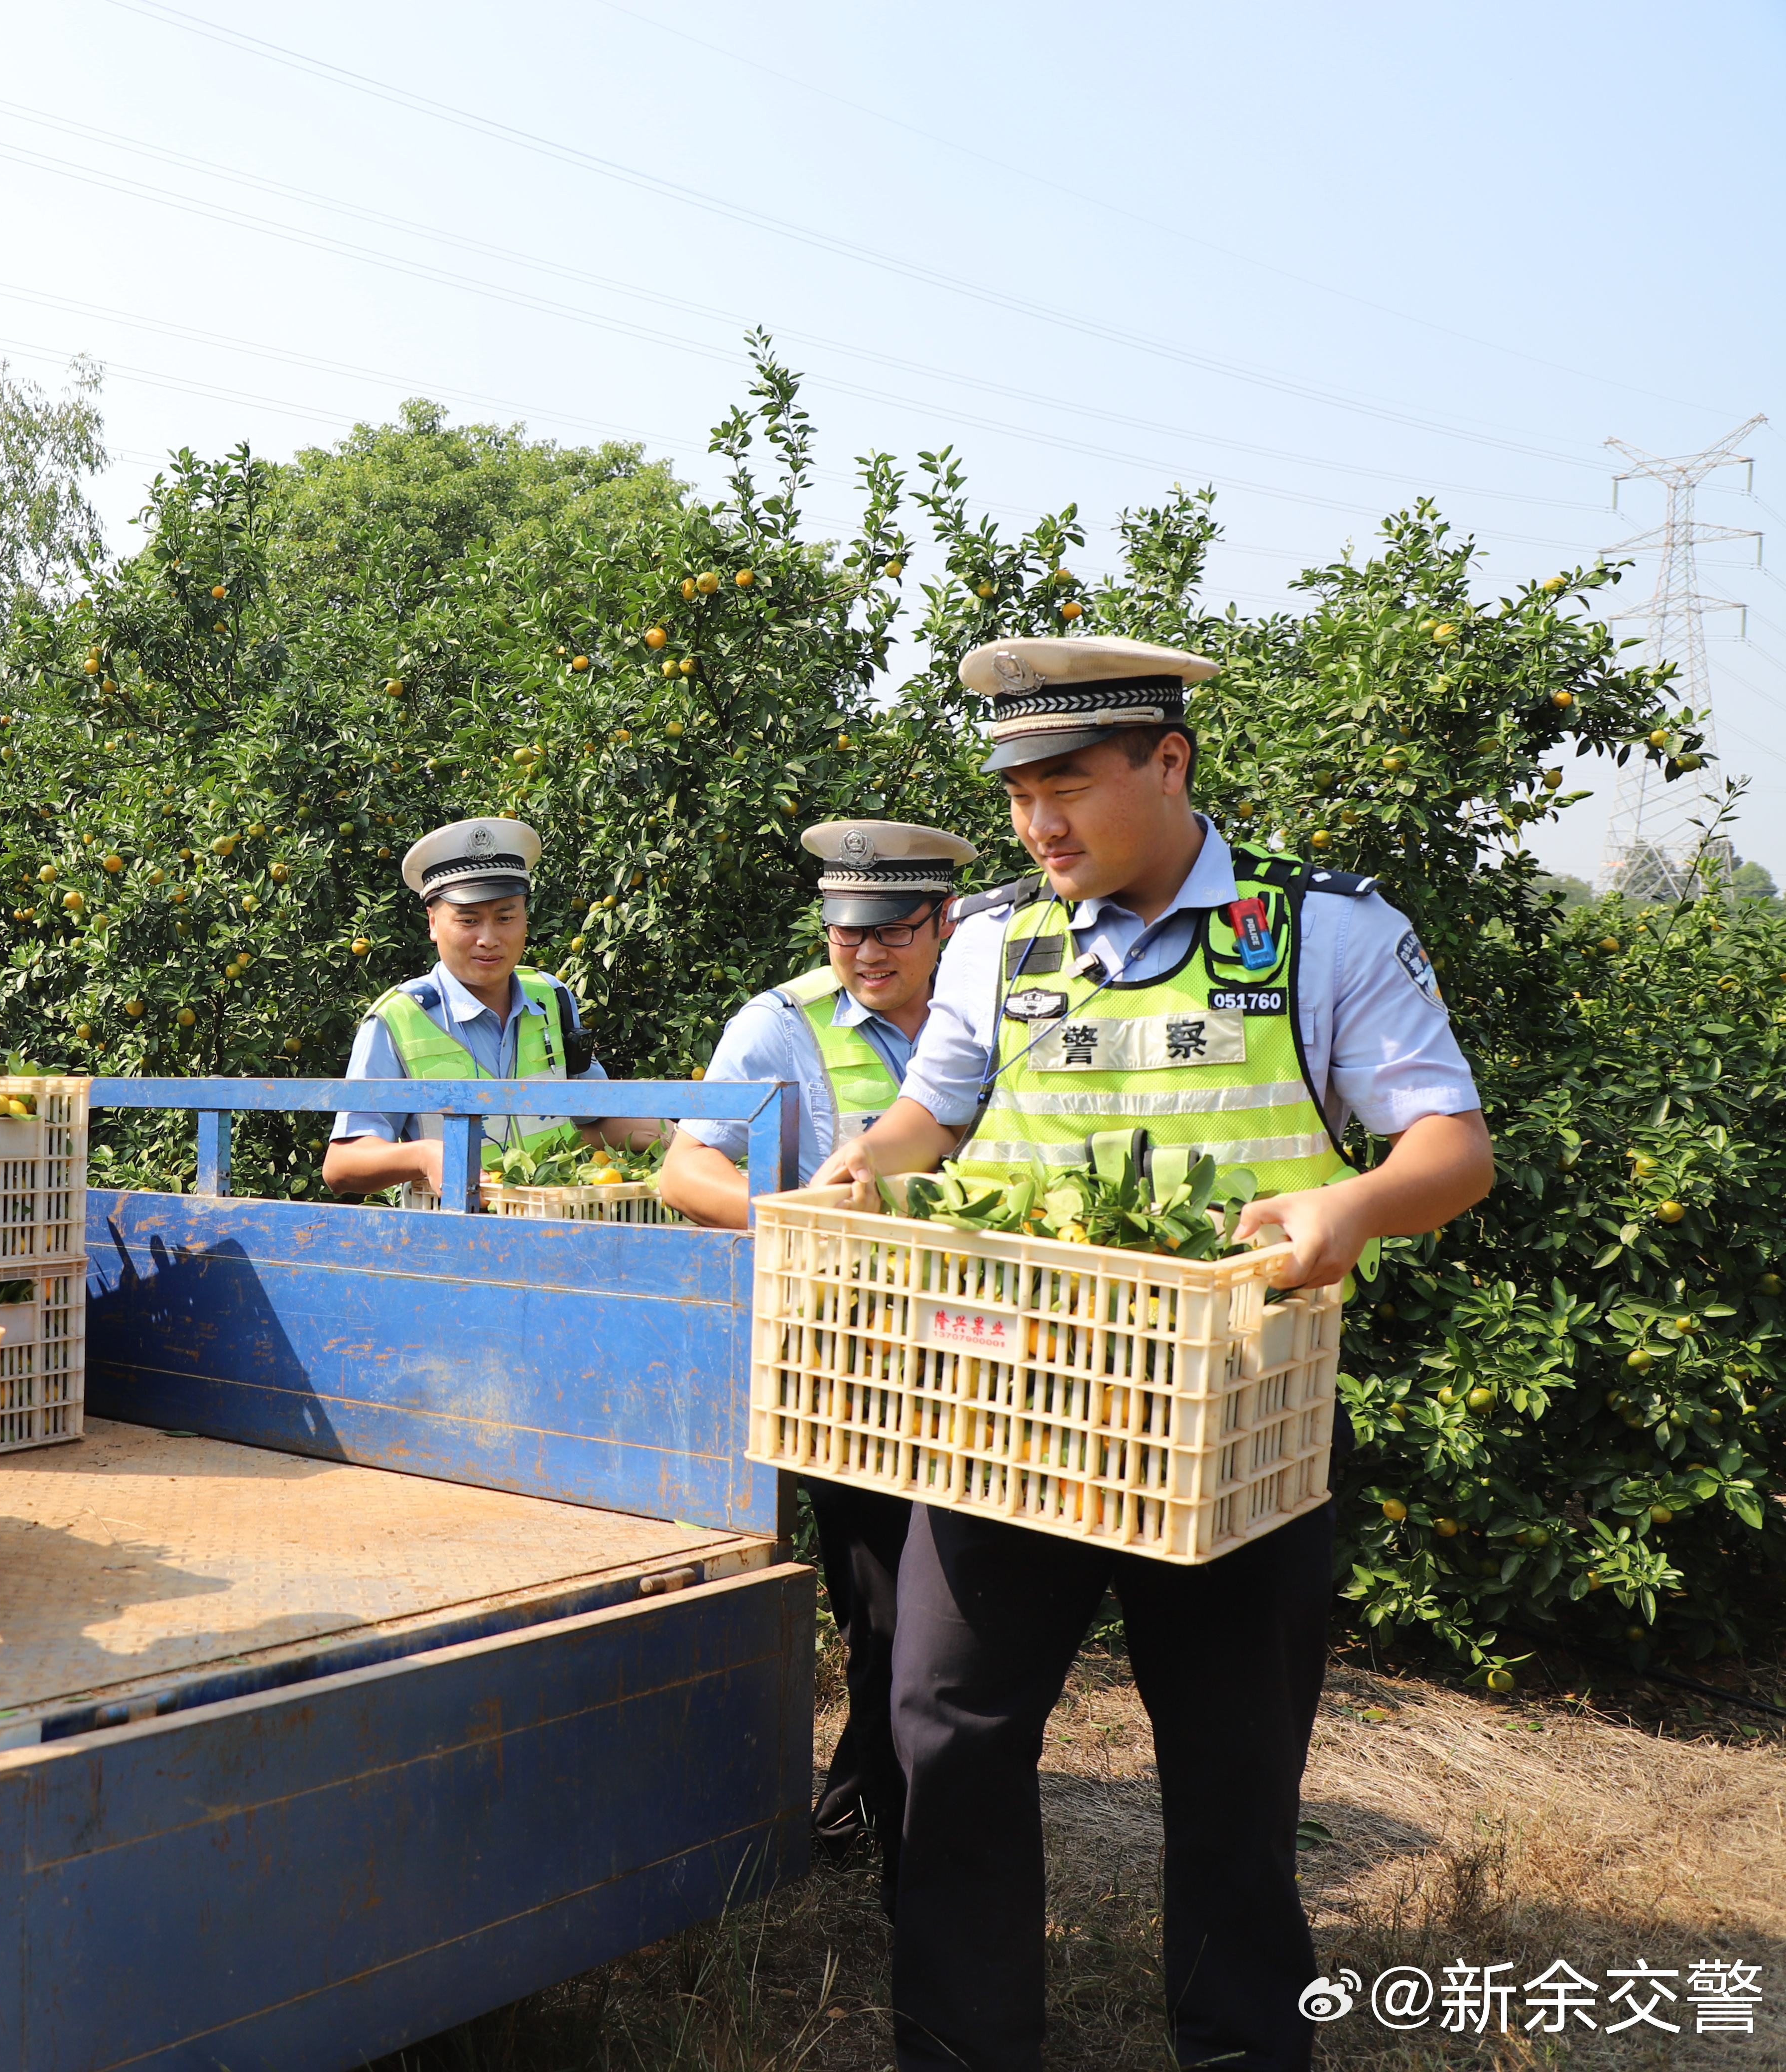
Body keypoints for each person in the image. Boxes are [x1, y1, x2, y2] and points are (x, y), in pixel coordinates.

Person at [817, 636, 1494, 2072]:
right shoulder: (1000, 941)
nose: (1037, 825)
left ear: (1169, 764)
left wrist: (1354, 1206)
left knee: (1234, 1781)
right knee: (944, 1734)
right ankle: (961, 2048)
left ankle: (1243, 2050)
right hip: (1014, 1405)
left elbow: (1449, 1146)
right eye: (1016, 795)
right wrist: (863, 1168)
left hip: (1235, 1427)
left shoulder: (1321, 934)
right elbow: (929, 1114)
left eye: (1068, 786)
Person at [653, 819, 976, 1911]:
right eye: (845, 934)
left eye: (890, 932)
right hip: (857, 1372)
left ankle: (853, 1801)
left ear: (944, 920)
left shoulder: (999, 1012)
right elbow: (682, 1170)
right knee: (888, 1617)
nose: (866, 955)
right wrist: (790, 1215)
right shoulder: (780, 1024)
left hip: (995, 1359)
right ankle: (909, 1872)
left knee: (959, 1623)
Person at [320, 816, 660, 1197]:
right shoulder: (398, 1019)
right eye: (468, 920)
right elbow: (342, 1166)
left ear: (525, 919)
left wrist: (678, 1139)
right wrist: (426, 1156)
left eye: (505, 918)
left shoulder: (552, 997)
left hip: (554, 1229)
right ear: (433, 923)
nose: (489, 939)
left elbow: (591, 1118)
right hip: (452, 1242)